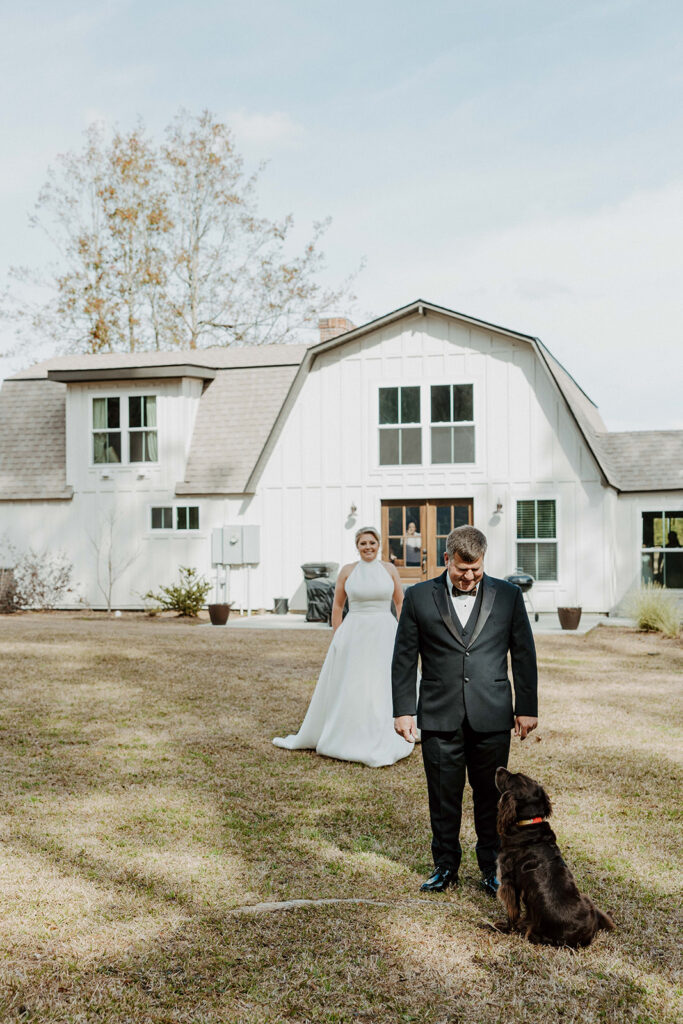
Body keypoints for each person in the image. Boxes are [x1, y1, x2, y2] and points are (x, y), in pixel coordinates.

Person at [392, 524, 538, 896]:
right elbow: (405, 657)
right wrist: (403, 709)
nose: (469, 577)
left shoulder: (508, 595)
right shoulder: (418, 596)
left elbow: (523, 653)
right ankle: (445, 866)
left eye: (476, 570)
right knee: (443, 796)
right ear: (447, 559)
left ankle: (492, 868)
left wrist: (527, 706)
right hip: (440, 713)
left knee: (491, 798)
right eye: (462, 570)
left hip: (492, 713)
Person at [273, 526, 414, 768]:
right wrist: (337, 635)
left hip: (385, 630)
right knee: (355, 681)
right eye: (363, 543)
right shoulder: (348, 571)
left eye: (371, 542)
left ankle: (397, 726)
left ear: (378, 544)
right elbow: (337, 607)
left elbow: (400, 602)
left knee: (383, 679)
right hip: (355, 632)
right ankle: (351, 730)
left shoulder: (389, 569)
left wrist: (403, 633)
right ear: (357, 546)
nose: (368, 547)